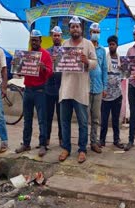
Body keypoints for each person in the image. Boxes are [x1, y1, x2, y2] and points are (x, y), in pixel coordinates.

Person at [58, 16, 97, 163]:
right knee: (65, 121)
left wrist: (87, 61)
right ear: (69, 29)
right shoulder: (64, 44)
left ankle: (82, 150)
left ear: (81, 29)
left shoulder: (88, 45)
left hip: (81, 90)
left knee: (83, 122)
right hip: (66, 89)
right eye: (72, 26)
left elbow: (95, 63)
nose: (75, 29)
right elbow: (59, 63)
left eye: (77, 26)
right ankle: (66, 148)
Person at [15, 29, 52, 157]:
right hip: (27, 90)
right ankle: (26, 144)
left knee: (42, 119)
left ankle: (43, 145)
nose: (34, 42)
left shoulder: (45, 54)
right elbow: (20, 72)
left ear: (41, 41)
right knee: (27, 119)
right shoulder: (26, 54)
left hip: (40, 91)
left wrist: (43, 68)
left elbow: (50, 72)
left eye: (36, 40)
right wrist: (17, 68)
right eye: (32, 40)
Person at [99, 35, 124, 149]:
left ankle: (116, 140)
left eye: (113, 44)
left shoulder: (121, 60)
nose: (111, 46)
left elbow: (124, 75)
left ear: (117, 45)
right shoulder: (105, 58)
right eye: (109, 44)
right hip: (105, 95)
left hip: (117, 95)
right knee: (104, 120)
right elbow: (102, 73)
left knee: (115, 120)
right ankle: (102, 140)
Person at [89, 22, 108, 153]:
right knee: (84, 117)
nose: (95, 34)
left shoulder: (102, 50)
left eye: (97, 32)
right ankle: (82, 143)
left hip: (98, 88)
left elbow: (105, 70)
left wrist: (104, 87)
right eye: (93, 32)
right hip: (85, 87)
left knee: (96, 117)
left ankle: (93, 142)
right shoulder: (86, 47)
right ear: (89, 33)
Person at [45, 26, 63, 147]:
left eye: (58, 35)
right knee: (48, 116)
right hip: (49, 88)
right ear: (52, 36)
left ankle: (62, 139)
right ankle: (46, 139)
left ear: (61, 37)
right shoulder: (47, 52)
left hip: (62, 88)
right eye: (54, 35)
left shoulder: (66, 52)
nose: (56, 37)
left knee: (62, 116)